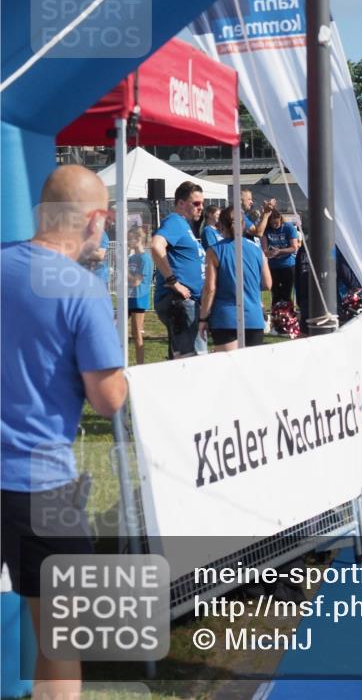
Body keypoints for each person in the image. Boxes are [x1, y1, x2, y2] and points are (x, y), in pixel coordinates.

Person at [1, 165, 127, 699]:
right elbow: (108, 398)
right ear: (95, 221)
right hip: (41, 483)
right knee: (60, 636)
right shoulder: (84, 290)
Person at [199, 206, 272, 350]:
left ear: (220, 226)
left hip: (225, 318)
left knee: (228, 369)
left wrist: (203, 318)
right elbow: (268, 284)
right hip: (253, 318)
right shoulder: (257, 250)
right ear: (243, 224)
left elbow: (210, 288)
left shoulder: (214, 251)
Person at [150, 181, 207, 359]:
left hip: (186, 302)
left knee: (183, 359)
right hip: (180, 302)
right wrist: (173, 282)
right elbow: (156, 246)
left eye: (202, 204)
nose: (201, 208)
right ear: (181, 203)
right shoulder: (175, 221)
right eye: (196, 203)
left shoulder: (184, 226)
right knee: (190, 360)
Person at [127, 227, 154, 365]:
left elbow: (136, 281)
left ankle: (140, 364)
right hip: (127, 298)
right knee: (115, 327)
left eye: (130, 239)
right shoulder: (131, 257)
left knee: (136, 333)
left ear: (138, 240)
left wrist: (123, 272)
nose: (127, 242)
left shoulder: (145, 259)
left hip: (139, 299)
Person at [262, 210, 300, 304]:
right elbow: (264, 250)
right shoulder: (266, 230)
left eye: (276, 223)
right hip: (273, 265)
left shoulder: (288, 228)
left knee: (286, 293)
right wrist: (271, 253)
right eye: (272, 223)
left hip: (288, 265)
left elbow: (294, 248)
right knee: (275, 293)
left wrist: (280, 251)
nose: (274, 225)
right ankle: (276, 311)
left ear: (281, 220)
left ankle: (287, 311)